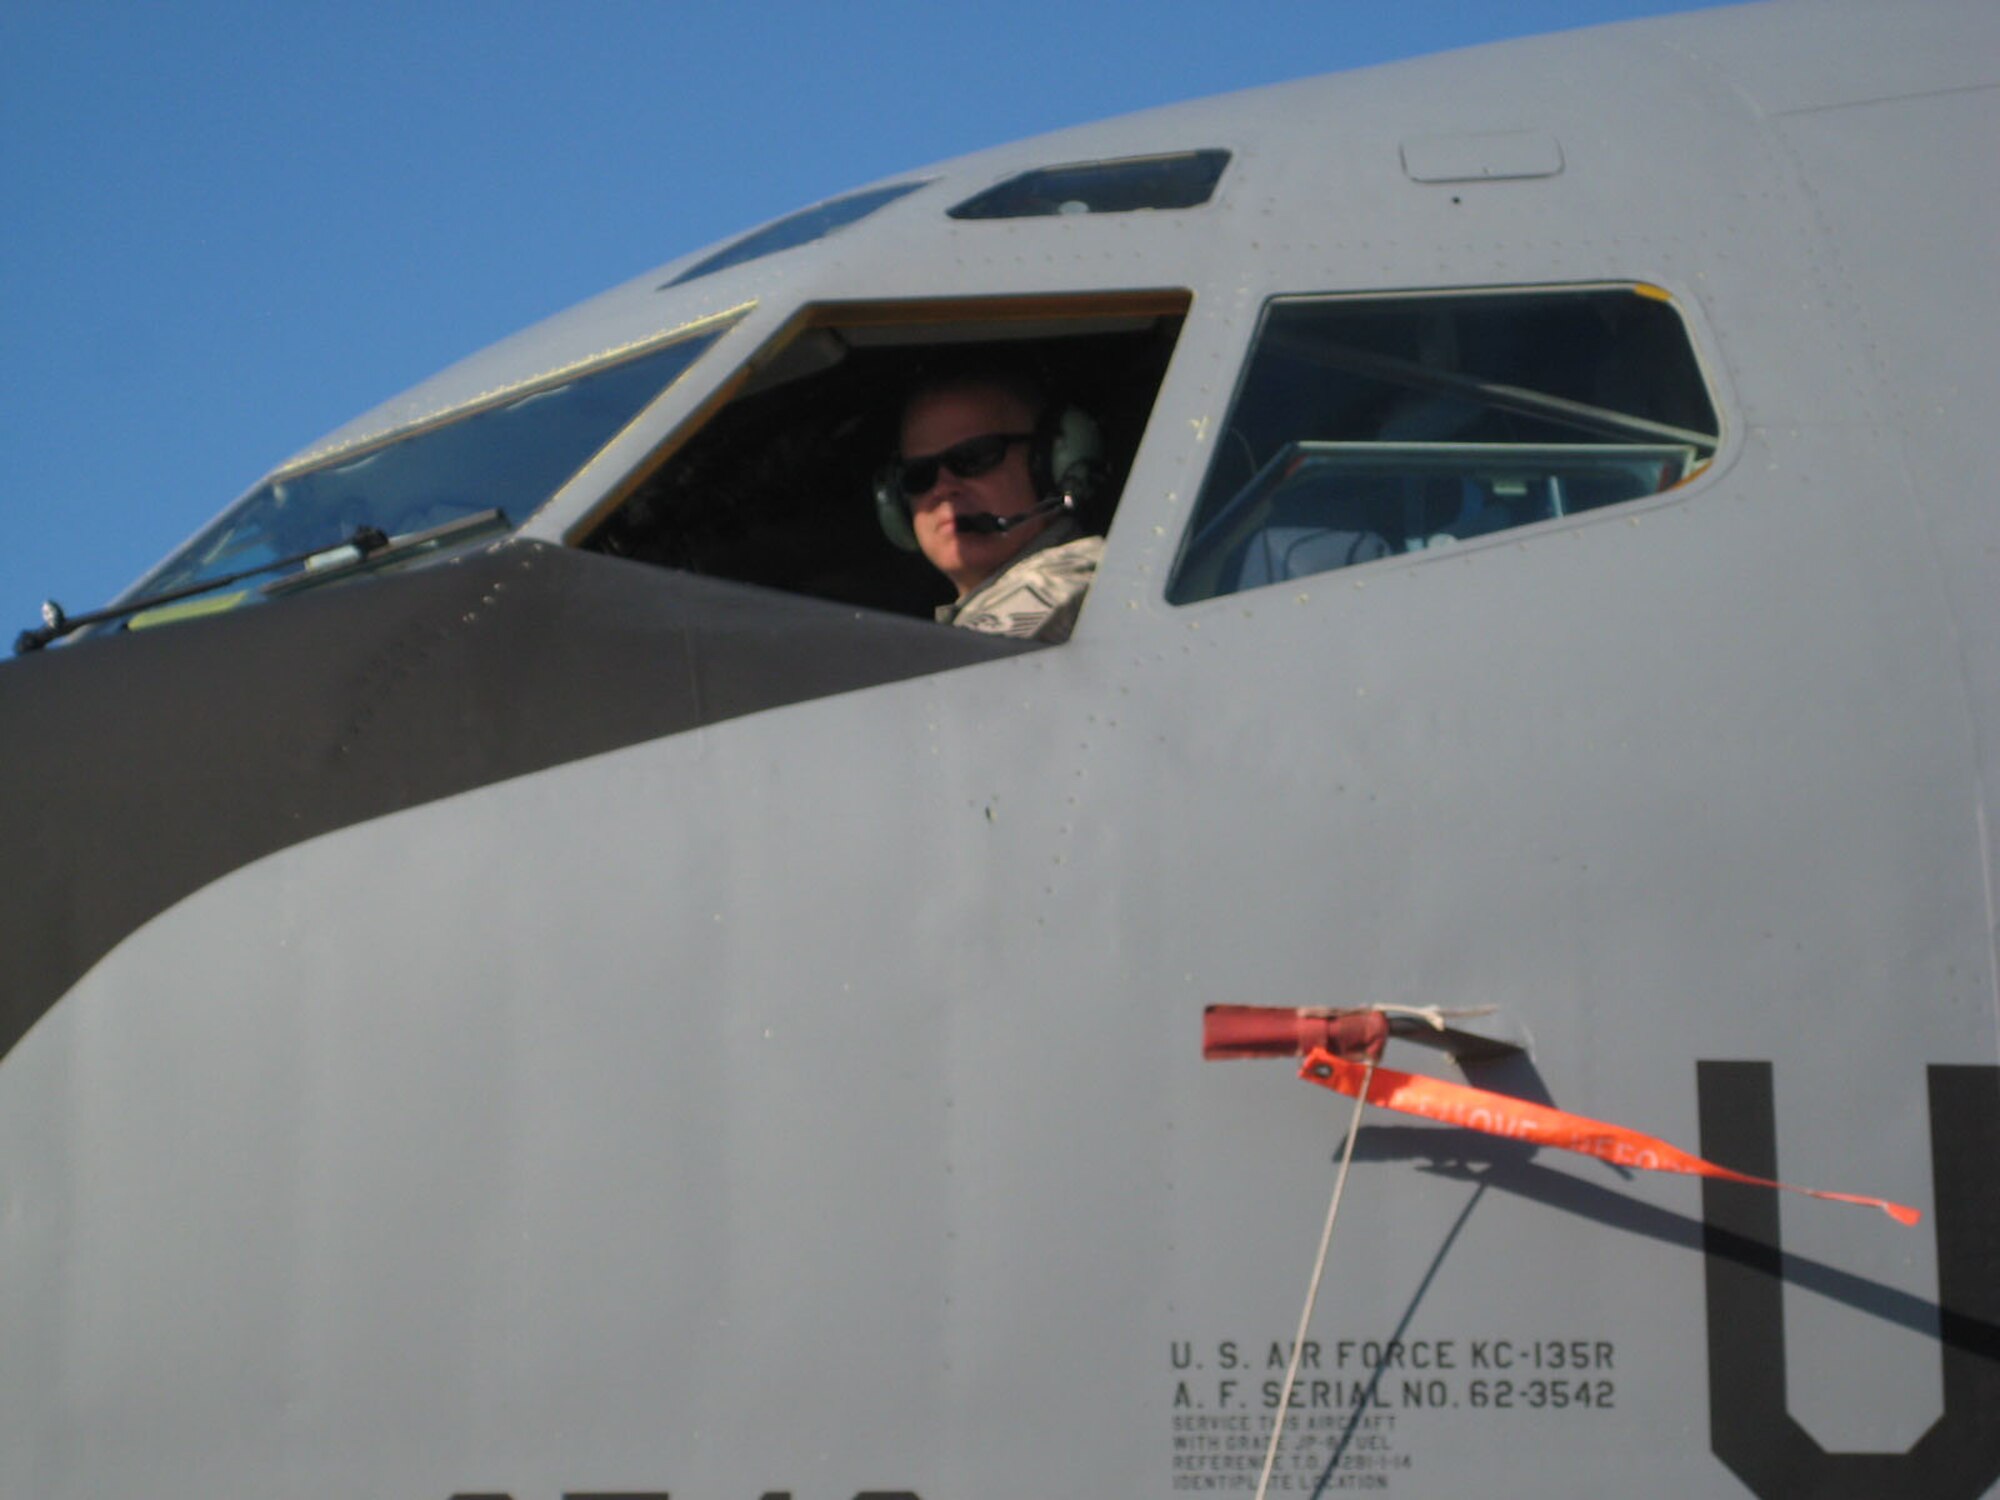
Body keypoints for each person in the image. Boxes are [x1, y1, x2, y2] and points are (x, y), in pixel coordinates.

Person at [891, 373, 1104, 644]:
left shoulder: (1064, 587)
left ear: (1050, 464)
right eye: (918, 474)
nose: (942, 488)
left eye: (974, 457)